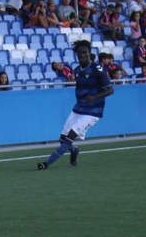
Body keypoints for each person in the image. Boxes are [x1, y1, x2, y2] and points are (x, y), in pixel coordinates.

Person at [37, 40, 114, 170]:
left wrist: (94, 97)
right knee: (63, 138)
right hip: (79, 108)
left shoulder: (97, 69)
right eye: (79, 53)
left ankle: (46, 163)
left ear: (90, 53)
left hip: (93, 111)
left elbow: (110, 90)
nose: (82, 55)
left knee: (70, 137)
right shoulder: (77, 70)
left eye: (85, 53)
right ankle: (74, 150)